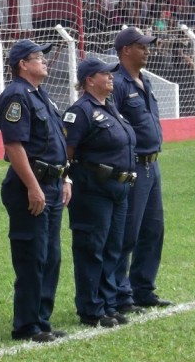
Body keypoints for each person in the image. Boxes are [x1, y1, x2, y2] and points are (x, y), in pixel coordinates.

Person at [0, 39, 71, 343]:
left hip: (51, 184)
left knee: (50, 256)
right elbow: (14, 145)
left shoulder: (42, 96)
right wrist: (33, 186)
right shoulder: (16, 96)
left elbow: (55, 143)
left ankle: (42, 319)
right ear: (22, 64)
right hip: (31, 185)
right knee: (33, 255)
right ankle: (26, 325)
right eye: (38, 57)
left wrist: (65, 178)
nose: (44, 61)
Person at [63, 57, 137, 328]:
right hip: (93, 189)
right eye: (104, 74)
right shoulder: (80, 111)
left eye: (111, 74)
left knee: (112, 247)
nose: (111, 78)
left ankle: (107, 303)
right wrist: (67, 181)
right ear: (89, 80)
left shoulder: (111, 107)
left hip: (118, 188)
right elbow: (66, 153)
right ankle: (91, 308)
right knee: (92, 248)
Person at [111, 27, 172, 314]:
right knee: (128, 232)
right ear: (126, 50)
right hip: (133, 165)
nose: (147, 50)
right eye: (141, 46)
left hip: (152, 164)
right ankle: (120, 293)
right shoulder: (118, 83)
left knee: (153, 230)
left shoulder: (144, 80)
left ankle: (143, 288)